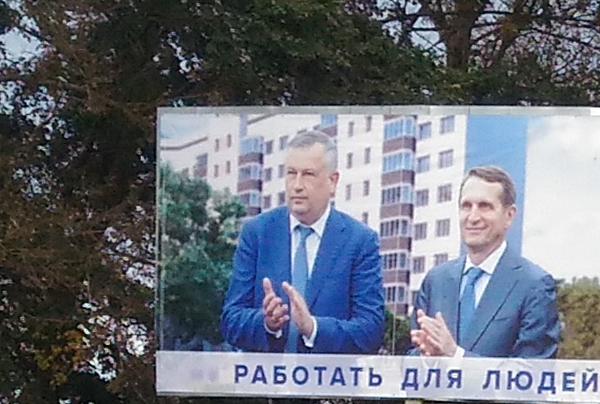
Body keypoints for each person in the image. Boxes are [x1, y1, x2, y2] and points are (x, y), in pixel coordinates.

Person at [221, 131, 386, 352]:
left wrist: (313, 328)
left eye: (308, 174)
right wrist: (267, 323)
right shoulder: (257, 233)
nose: (297, 185)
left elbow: (371, 331)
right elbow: (230, 320)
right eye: (291, 173)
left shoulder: (360, 241)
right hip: (266, 382)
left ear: (332, 181)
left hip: (327, 383)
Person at [407, 164, 564, 357]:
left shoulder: (534, 286)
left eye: (485, 206)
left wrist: (455, 357)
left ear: (509, 215)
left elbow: (531, 375)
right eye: (466, 206)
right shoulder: (436, 281)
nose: (473, 217)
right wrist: (426, 359)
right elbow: (412, 357)